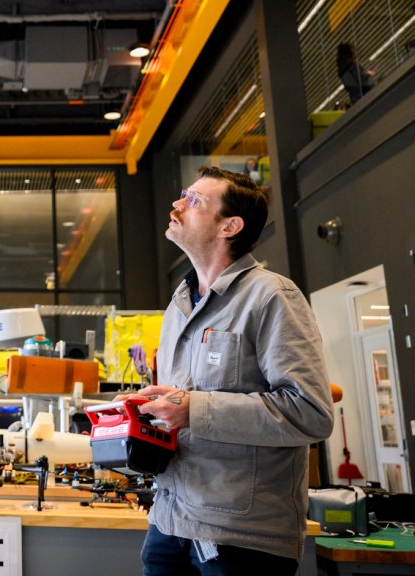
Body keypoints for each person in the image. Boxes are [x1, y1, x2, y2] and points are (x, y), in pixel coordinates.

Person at [131, 166, 334, 575]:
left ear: (230, 226)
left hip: (241, 536)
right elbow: (184, 400)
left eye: (194, 200)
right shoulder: (178, 306)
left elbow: (311, 413)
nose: (177, 204)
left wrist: (192, 408)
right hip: (169, 523)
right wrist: (149, 408)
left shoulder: (272, 296)